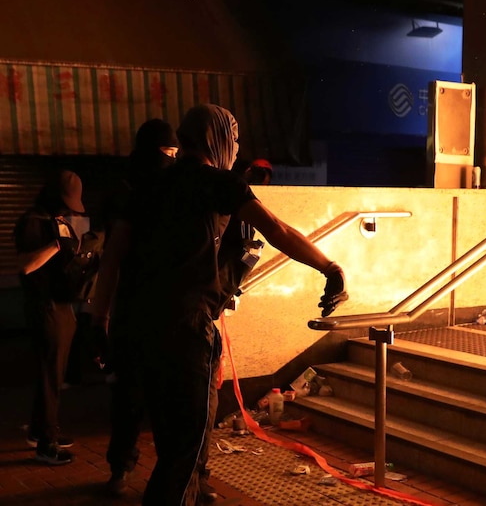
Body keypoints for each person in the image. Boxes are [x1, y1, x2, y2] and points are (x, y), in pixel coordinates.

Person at [93, 103, 348, 506]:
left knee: (170, 441)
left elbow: (112, 259)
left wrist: (98, 319)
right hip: (186, 328)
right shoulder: (219, 184)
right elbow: (277, 230)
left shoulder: (146, 186)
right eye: (235, 138)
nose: (237, 146)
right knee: (185, 450)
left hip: (138, 326)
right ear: (219, 138)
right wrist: (329, 266)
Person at [100, 119, 178, 496]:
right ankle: (179, 475)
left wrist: (100, 315)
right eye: (171, 152)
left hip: (132, 307)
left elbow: (111, 258)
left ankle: (121, 471)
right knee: (168, 402)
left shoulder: (123, 186)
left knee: (129, 397)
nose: (174, 158)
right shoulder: (173, 185)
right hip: (164, 309)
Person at [13, 169, 89, 465]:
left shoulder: (59, 221)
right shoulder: (32, 221)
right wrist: (57, 245)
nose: (68, 212)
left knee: (55, 375)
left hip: (62, 305)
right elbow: (25, 266)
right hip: (44, 306)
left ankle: (40, 428)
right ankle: (46, 443)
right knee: (49, 376)